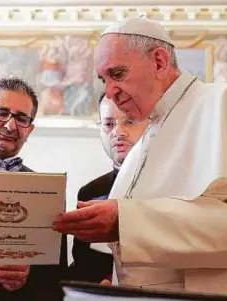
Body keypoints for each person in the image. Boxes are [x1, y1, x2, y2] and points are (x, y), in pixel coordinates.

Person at [53, 17, 227, 298]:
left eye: (117, 74)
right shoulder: (146, 138)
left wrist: (125, 221)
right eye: (103, 79)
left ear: (159, 62)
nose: (109, 92)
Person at [0, 77, 67, 301]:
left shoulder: (49, 192)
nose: (10, 125)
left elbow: (56, 277)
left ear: (30, 129)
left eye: (21, 118)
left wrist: (27, 276)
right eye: (1, 113)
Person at [69, 92, 148, 283]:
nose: (118, 132)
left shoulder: (170, 185)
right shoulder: (90, 192)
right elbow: (82, 265)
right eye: (108, 124)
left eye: (129, 121)